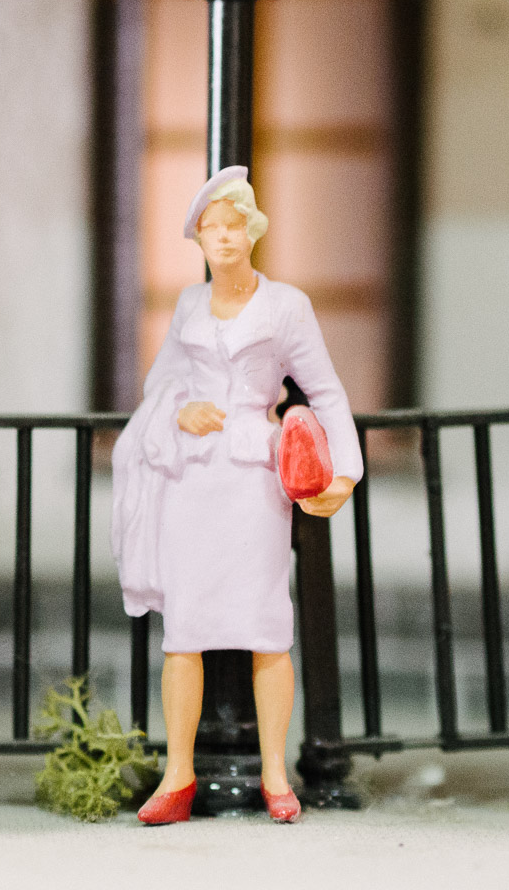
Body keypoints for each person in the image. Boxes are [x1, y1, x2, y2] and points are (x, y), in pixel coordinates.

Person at [110, 166, 361, 825]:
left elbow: (325, 391)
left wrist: (344, 472)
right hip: (194, 477)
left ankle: (277, 774)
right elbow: (162, 383)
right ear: (197, 240)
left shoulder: (286, 306)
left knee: (265, 626)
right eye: (209, 228)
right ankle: (178, 774)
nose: (221, 238)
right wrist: (178, 412)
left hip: (253, 472)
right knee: (184, 632)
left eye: (232, 225)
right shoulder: (190, 305)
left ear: (252, 230)